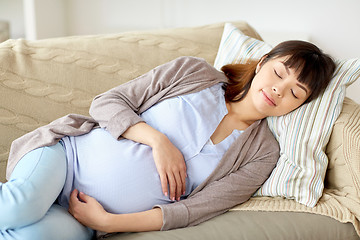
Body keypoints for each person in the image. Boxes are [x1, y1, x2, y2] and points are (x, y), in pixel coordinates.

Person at [0, 40, 335, 239]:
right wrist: (158, 141)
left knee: (29, 236)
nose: (279, 89)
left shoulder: (263, 153)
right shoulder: (195, 73)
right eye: (278, 73)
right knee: (20, 206)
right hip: (67, 157)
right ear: (262, 63)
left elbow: (194, 210)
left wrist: (107, 222)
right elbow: (106, 103)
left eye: (295, 92)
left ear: (300, 105)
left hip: (87, 218)